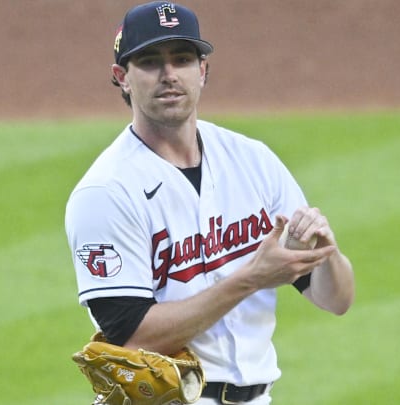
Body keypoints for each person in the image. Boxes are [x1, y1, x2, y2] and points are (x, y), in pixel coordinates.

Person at [65, 2, 355, 404]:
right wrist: (251, 277)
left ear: (202, 70)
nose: (169, 75)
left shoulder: (252, 160)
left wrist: (328, 252)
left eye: (182, 59)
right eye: (150, 62)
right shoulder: (106, 193)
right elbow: (132, 335)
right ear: (122, 78)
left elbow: (336, 299)